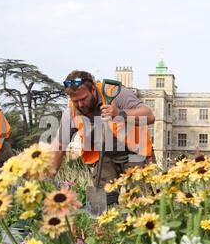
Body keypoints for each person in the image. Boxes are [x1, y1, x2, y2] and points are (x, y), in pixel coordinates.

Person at [52, 70, 155, 205]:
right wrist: (45, 181)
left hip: (134, 153)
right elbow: (59, 147)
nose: (80, 105)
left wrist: (120, 113)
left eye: (83, 99)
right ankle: (101, 223)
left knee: (142, 201)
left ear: (93, 89)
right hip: (104, 156)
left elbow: (150, 116)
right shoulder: (70, 113)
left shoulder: (115, 93)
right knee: (100, 204)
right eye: (75, 101)